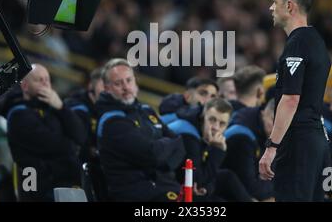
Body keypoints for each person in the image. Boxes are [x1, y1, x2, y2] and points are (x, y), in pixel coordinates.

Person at [259, 0, 331, 202]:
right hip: (318, 143)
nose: (271, 7)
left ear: (289, 6)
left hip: (299, 143)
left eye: (275, 2)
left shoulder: (298, 43)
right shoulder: (317, 42)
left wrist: (272, 147)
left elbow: (291, 99)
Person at [96, 58, 185, 202]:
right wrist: (166, 148)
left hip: (164, 187)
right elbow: (151, 154)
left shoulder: (146, 110)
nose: (126, 87)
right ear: (107, 88)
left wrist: (164, 163)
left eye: (129, 80)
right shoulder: (112, 122)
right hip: (136, 194)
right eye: (118, 83)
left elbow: (179, 144)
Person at [6, 64, 86, 201]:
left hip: (63, 181)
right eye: (39, 80)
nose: (45, 83)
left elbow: (81, 136)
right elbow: (53, 145)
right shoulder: (18, 115)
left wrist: (61, 107)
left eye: (47, 79)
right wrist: (71, 145)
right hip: (39, 187)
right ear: (25, 86)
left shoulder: (54, 107)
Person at [168, 98, 255, 201]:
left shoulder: (204, 134)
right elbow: (196, 181)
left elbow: (208, 178)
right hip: (168, 185)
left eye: (222, 123)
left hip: (189, 184)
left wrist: (207, 189)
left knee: (227, 176)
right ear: (203, 116)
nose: (216, 127)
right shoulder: (189, 136)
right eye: (212, 120)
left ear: (227, 125)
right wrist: (217, 151)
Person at [223, 99, 276, 201]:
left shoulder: (263, 129)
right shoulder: (242, 137)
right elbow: (251, 188)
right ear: (264, 112)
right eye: (273, 120)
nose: (276, 128)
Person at [65, 67, 104, 163]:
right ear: (91, 86)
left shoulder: (108, 107)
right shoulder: (76, 106)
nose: (108, 89)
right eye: (104, 84)